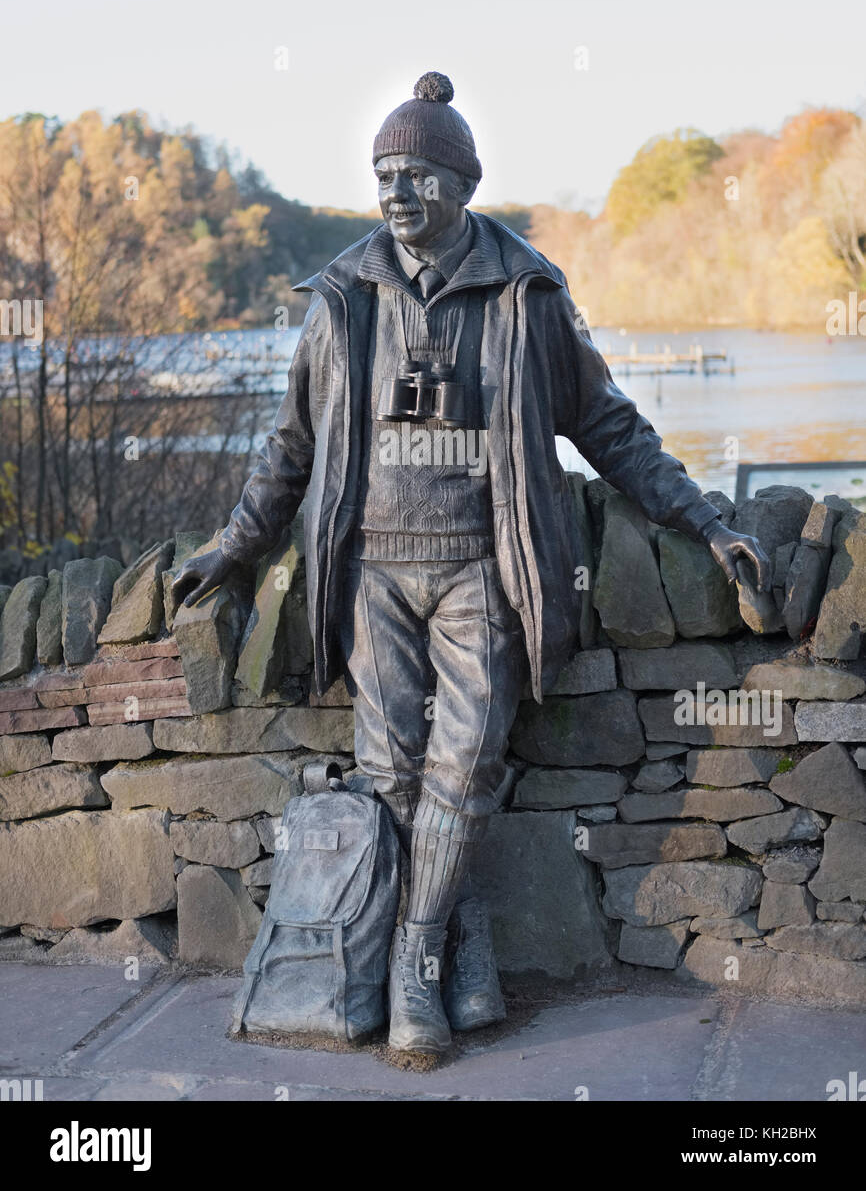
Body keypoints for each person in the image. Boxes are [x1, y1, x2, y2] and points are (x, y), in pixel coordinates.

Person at [172, 72, 769, 1053]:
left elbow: (606, 424)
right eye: (381, 175)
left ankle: (413, 971)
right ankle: (442, 956)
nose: (396, 193)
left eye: (414, 174)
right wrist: (237, 546)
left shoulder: (526, 290)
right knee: (392, 774)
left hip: (480, 571)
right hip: (371, 574)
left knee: (465, 766)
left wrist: (702, 518)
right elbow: (290, 447)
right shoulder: (342, 297)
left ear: (461, 183)